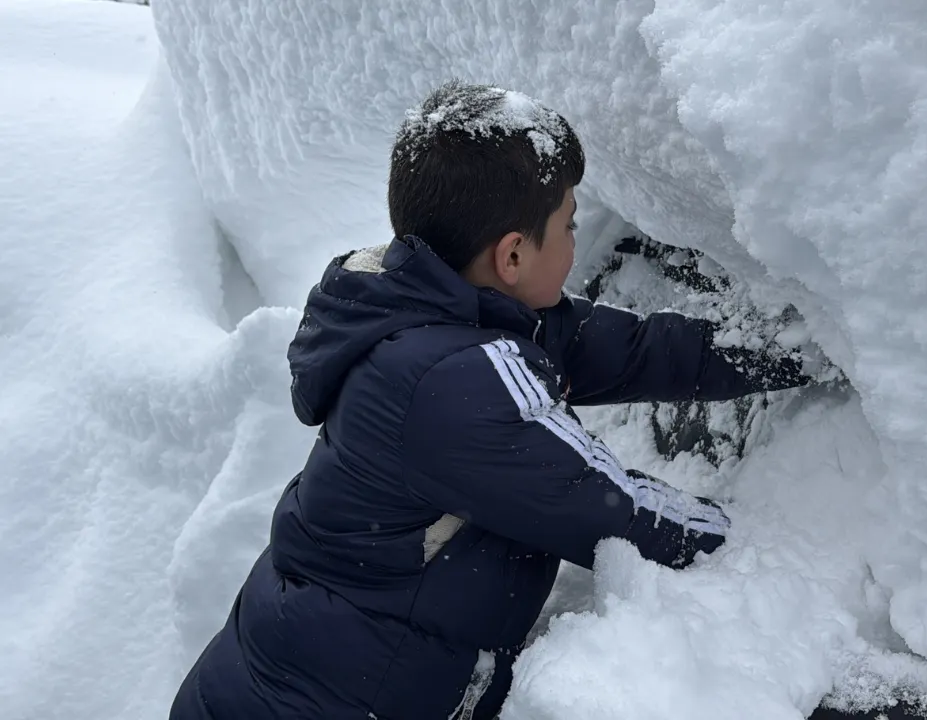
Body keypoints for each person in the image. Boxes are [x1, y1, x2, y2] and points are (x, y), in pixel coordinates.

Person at [170, 81, 811, 720]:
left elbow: (633, 351)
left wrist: (795, 346)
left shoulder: (441, 308)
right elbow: (608, 507)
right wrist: (766, 552)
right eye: (569, 225)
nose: (573, 241)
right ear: (512, 254)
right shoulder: (452, 382)